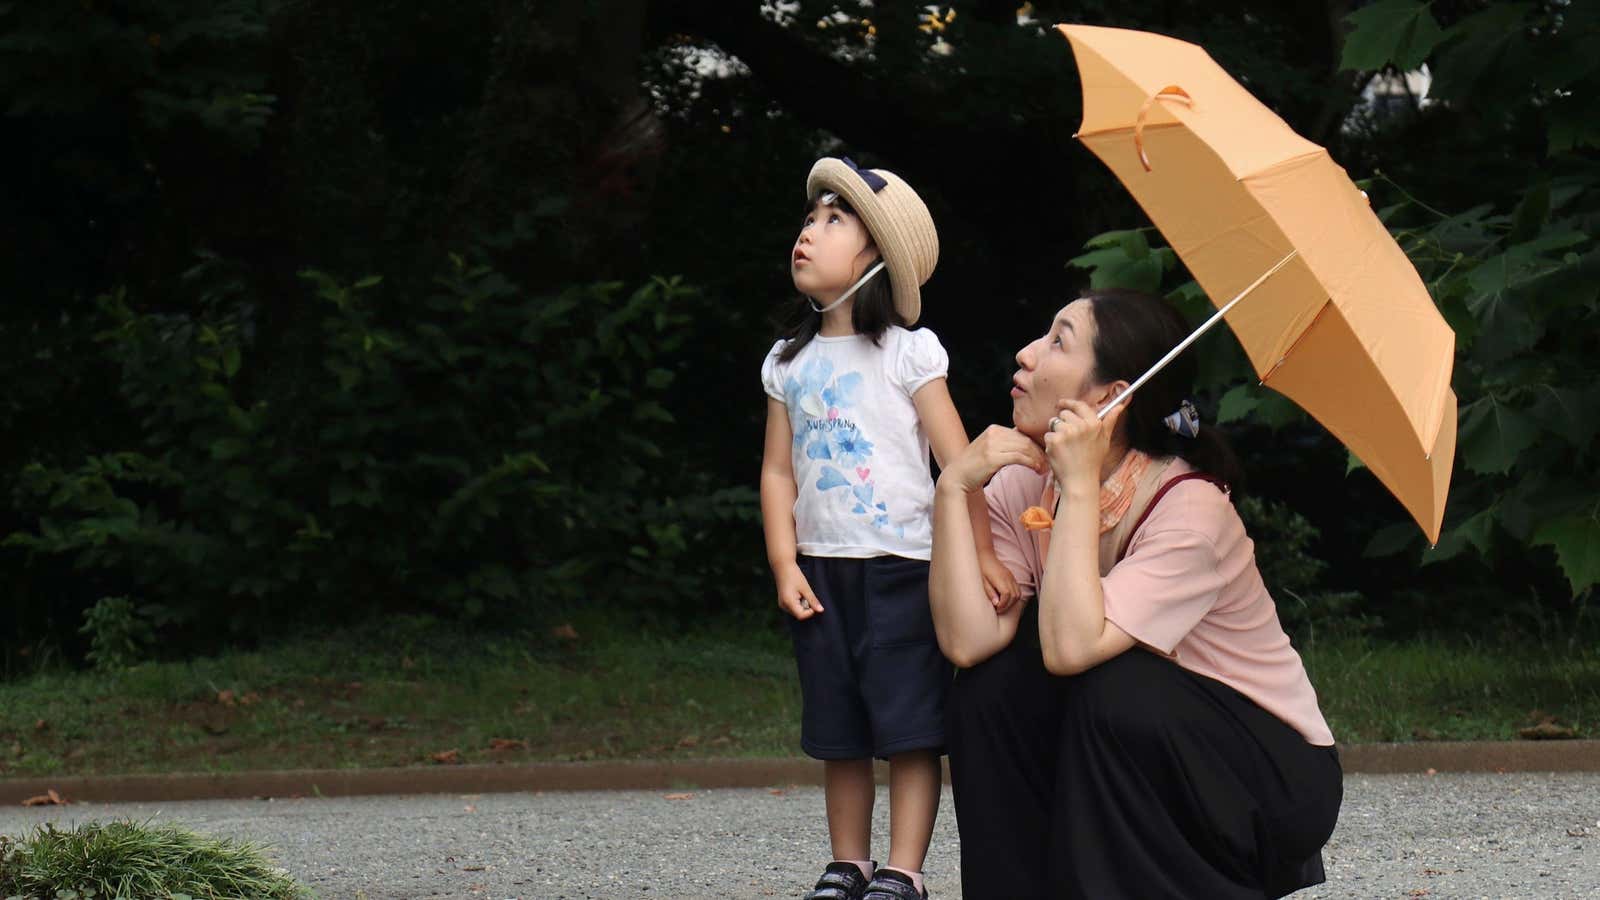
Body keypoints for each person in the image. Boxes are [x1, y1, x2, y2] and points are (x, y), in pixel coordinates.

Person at [928, 288, 1343, 899]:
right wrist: (952, 487)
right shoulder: (1023, 480)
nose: (1025, 354)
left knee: (1108, 684)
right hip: (1143, 735)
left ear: (1106, 396)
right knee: (991, 685)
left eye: (1057, 341)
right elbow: (968, 640)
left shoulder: (1193, 511)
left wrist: (1078, 488)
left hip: (1268, 773)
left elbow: (1072, 648)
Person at [759, 158, 1017, 900]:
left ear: (875, 257)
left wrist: (986, 552)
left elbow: (957, 462)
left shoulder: (909, 351)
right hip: (823, 569)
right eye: (811, 219)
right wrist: (785, 563)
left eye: (834, 221)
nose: (809, 232)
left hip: (907, 568)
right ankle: (849, 862)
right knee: (838, 731)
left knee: (910, 730)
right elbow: (779, 473)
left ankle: (903, 869)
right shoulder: (788, 361)